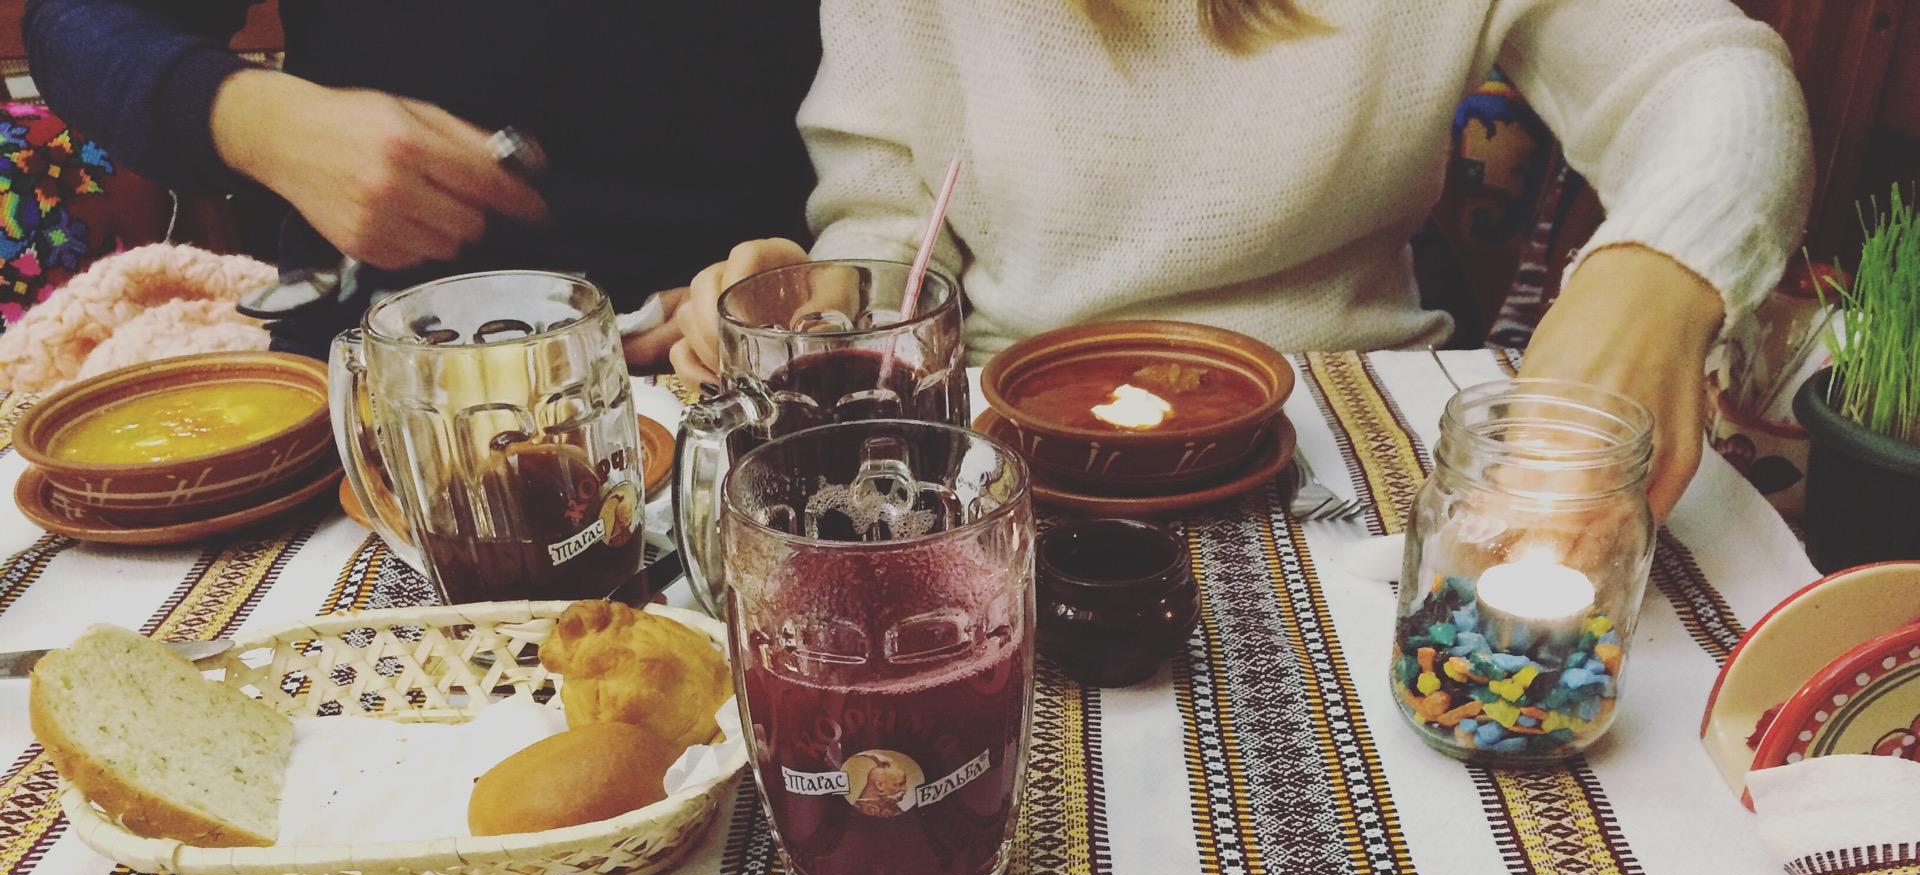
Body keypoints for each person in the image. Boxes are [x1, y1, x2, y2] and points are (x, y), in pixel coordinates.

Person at [674, 0, 1813, 520]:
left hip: (1374, 449)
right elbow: (888, 228)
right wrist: (829, 299)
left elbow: (1714, 75)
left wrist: (1654, 277)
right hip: (1014, 460)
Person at [24, 0, 820, 361]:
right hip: (375, 384)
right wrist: (258, 119)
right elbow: (75, 20)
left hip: (740, 365)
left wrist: (805, 286)